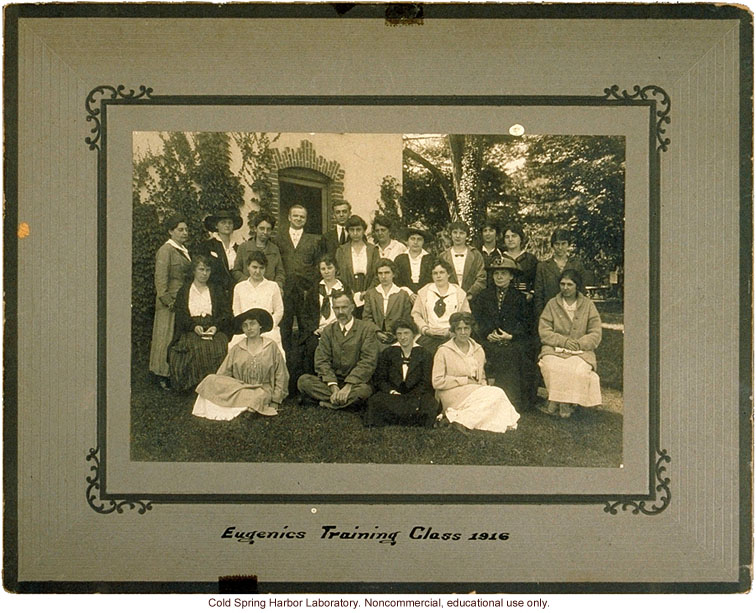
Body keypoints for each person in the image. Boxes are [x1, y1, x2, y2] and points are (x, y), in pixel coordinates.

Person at [192, 308, 288, 420]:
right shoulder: (237, 348)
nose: (249, 328)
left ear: (260, 326)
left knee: (258, 396)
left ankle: (243, 407)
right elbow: (223, 374)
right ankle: (247, 408)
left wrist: (276, 400)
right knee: (210, 379)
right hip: (240, 388)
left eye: (252, 324)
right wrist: (222, 386)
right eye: (245, 325)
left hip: (262, 389)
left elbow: (281, 375)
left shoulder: (271, 347)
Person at [432, 312, 520, 433]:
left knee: (494, 396)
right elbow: (437, 382)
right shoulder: (443, 351)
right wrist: (464, 380)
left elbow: (481, 376)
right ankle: (462, 420)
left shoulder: (478, 349)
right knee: (497, 393)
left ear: (471, 329)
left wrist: (485, 389)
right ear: (454, 330)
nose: (463, 332)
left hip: (474, 390)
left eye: (466, 328)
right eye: (459, 329)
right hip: (451, 393)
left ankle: (458, 420)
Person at [297, 291, 379, 409]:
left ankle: (323, 402)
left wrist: (348, 386)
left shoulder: (366, 329)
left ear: (352, 307)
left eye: (344, 307)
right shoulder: (328, 331)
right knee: (303, 381)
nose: (340, 312)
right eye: (336, 308)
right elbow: (321, 360)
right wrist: (333, 386)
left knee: (364, 391)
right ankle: (341, 401)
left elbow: (368, 361)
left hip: (356, 383)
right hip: (332, 381)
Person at [538, 269, 602, 418]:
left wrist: (580, 344)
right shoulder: (552, 304)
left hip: (581, 351)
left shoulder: (588, 305)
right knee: (551, 366)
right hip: (555, 349)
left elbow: (595, 332)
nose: (565, 288)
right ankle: (557, 400)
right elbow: (544, 330)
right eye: (562, 284)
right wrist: (563, 341)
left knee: (577, 370)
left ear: (577, 286)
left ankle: (565, 402)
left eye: (569, 284)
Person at [471, 255, 532, 412]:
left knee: (513, 354)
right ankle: (484, 400)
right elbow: (477, 320)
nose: (499, 277)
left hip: (511, 341)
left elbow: (526, 324)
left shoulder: (520, 298)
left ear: (511, 276)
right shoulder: (484, 296)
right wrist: (487, 334)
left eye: (503, 273)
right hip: (488, 340)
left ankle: (511, 401)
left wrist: (511, 336)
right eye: (496, 273)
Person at [168, 255, 232, 392]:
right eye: (201, 269)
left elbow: (226, 313)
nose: (204, 274)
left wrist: (216, 326)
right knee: (196, 347)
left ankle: (215, 385)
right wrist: (193, 326)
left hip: (213, 327)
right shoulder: (185, 291)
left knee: (219, 346)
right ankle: (195, 385)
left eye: (208, 270)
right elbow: (181, 314)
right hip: (191, 329)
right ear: (194, 271)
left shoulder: (216, 290)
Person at [364, 319, 438, 427]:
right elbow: (381, 379)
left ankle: (399, 418)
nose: (403, 337)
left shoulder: (424, 354)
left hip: (416, 394)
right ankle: (408, 418)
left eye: (406, 333)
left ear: (413, 334)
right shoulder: (388, 352)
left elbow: (426, 380)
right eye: (399, 334)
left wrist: (413, 394)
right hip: (393, 394)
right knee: (375, 401)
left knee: (430, 403)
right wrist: (392, 391)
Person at [276, 204, 323, 365]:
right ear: (289, 217)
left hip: (305, 291)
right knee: (285, 328)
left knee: (307, 329)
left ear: (306, 219)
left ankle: (304, 365)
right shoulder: (278, 239)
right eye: (295, 215)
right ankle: (286, 364)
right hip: (285, 291)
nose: (298, 219)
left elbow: (318, 265)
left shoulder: (313, 240)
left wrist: (311, 287)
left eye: (302, 216)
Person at [149, 214, 192, 389]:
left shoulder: (182, 250)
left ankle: (174, 372)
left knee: (175, 337)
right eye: (180, 230)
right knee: (164, 336)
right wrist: (168, 301)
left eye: (186, 229)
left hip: (180, 301)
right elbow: (160, 280)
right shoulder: (166, 250)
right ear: (170, 231)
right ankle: (161, 374)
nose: (184, 233)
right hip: (169, 303)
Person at [230, 250, 285, 358]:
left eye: (261, 268)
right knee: (234, 349)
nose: (257, 271)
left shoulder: (273, 286)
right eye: (254, 267)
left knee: (274, 352)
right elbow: (236, 311)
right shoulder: (239, 287)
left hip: (267, 330)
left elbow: (279, 311)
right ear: (248, 267)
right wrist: (247, 327)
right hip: (245, 330)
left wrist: (266, 326)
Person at [298, 254, 345, 377]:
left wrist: (332, 328)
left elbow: (349, 312)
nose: (327, 272)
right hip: (317, 330)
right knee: (311, 347)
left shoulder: (343, 288)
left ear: (335, 268)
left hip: (338, 328)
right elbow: (305, 314)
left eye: (329, 268)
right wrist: (315, 329)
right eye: (323, 269)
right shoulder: (315, 289)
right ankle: (313, 381)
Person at [411, 259, 471, 355]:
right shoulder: (424, 292)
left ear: (448, 274)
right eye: (435, 273)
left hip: (451, 337)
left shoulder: (458, 293)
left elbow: (466, 316)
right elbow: (416, 314)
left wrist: (452, 331)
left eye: (442, 272)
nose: (438, 276)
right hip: (429, 336)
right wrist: (425, 330)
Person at [533, 228, 587, 318]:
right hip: (550, 313)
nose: (560, 247)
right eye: (557, 244)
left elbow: (582, 291)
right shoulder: (543, 267)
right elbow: (539, 295)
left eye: (563, 244)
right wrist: (542, 316)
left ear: (568, 244)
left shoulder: (577, 265)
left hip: (572, 312)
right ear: (552, 245)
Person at [362, 258, 413, 350]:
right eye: (380, 273)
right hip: (375, 337)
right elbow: (366, 317)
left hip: (397, 338)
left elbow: (406, 318)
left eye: (387, 273)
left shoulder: (402, 294)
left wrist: (396, 334)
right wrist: (377, 332)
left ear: (393, 274)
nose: (383, 276)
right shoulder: (371, 294)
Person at [200, 209, 243, 307]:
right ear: (216, 226)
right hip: (215, 290)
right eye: (223, 223)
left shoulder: (238, 247)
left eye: (230, 223)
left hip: (235, 291)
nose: (227, 225)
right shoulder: (208, 246)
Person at [232, 211, 285, 290]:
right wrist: (249, 283)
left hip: (268, 290)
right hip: (248, 289)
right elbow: (236, 271)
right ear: (255, 229)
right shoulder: (244, 248)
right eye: (262, 228)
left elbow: (280, 272)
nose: (265, 232)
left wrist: (277, 286)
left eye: (268, 229)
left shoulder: (274, 249)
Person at [334, 214, 378, 308]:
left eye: (358, 229)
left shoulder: (372, 250)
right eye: (352, 230)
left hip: (368, 289)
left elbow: (377, 274)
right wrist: (348, 291)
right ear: (348, 231)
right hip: (348, 291)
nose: (355, 233)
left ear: (363, 231)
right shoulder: (341, 250)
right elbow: (338, 274)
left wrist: (368, 291)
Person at [439, 220, 487, 301]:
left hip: (472, 299)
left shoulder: (475, 255)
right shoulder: (443, 256)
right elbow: (439, 278)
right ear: (450, 234)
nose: (458, 236)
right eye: (455, 232)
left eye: (462, 233)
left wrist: (470, 294)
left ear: (466, 235)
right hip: (448, 299)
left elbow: (481, 278)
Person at [394, 221, 434, 298]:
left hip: (426, 296)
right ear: (407, 241)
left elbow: (433, 280)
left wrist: (421, 294)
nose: (415, 242)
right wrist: (409, 294)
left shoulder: (430, 259)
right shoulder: (400, 259)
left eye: (419, 239)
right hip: (403, 297)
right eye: (412, 239)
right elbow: (396, 281)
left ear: (423, 242)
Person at [501, 223, 538, 300]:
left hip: (525, 301)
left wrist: (531, 293)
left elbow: (537, 282)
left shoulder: (531, 259)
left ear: (521, 238)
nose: (510, 239)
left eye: (514, 236)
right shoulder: (500, 259)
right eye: (507, 237)